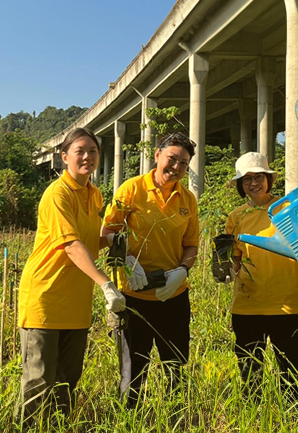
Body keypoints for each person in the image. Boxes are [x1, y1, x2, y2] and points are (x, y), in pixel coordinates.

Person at [17, 127, 126, 427]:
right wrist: (105, 283)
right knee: (38, 380)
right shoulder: (57, 194)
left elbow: (89, 240)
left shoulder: (94, 194)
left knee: (67, 381)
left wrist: (111, 240)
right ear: (64, 157)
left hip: (76, 306)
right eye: (80, 150)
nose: (87, 156)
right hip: (46, 299)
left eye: (93, 151)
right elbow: (71, 245)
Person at [101, 132, 199, 407]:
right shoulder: (130, 190)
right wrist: (128, 259)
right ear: (157, 155)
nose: (176, 167)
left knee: (176, 366)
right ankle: (128, 419)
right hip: (134, 296)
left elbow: (191, 246)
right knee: (132, 371)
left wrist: (182, 270)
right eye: (172, 158)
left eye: (184, 163)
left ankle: (175, 418)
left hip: (173, 295)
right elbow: (106, 233)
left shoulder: (188, 200)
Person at [219, 152, 298, 397]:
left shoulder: (286, 208)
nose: (254, 183)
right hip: (248, 305)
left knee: (292, 371)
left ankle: (294, 420)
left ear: (269, 179)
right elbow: (235, 258)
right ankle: (253, 417)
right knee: (250, 373)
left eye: (259, 177)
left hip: (287, 304)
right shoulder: (236, 217)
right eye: (247, 179)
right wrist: (226, 270)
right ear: (240, 185)